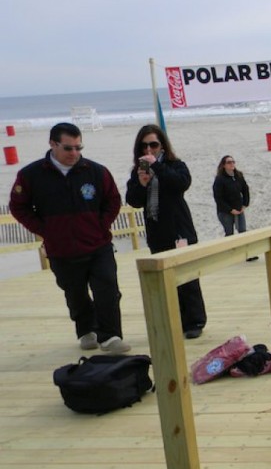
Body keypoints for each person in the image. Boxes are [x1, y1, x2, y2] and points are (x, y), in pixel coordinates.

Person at [8, 122, 130, 353]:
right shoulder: (31, 175)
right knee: (76, 294)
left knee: (108, 290)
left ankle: (111, 336)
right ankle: (86, 330)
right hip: (61, 249)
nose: (74, 153)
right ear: (53, 144)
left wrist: (100, 225)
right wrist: (45, 229)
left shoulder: (96, 171)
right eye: (68, 148)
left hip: (98, 245)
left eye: (78, 147)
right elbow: (18, 206)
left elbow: (113, 200)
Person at [125, 124, 207, 339]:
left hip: (179, 229)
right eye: (144, 146)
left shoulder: (175, 165)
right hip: (157, 231)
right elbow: (132, 201)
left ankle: (194, 321)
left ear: (162, 145)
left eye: (154, 144)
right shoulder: (138, 170)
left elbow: (181, 184)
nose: (149, 149)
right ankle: (174, 321)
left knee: (187, 277)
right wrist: (141, 184)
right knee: (164, 279)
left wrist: (158, 168)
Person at [212, 155, 258, 261]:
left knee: (242, 231)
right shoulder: (219, 179)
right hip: (225, 211)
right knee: (229, 233)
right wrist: (229, 209)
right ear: (223, 165)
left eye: (233, 162)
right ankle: (230, 255)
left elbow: (245, 190)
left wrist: (244, 204)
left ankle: (248, 254)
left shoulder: (238, 175)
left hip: (239, 209)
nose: (232, 164)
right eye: (229, 162)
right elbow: (218, 198)